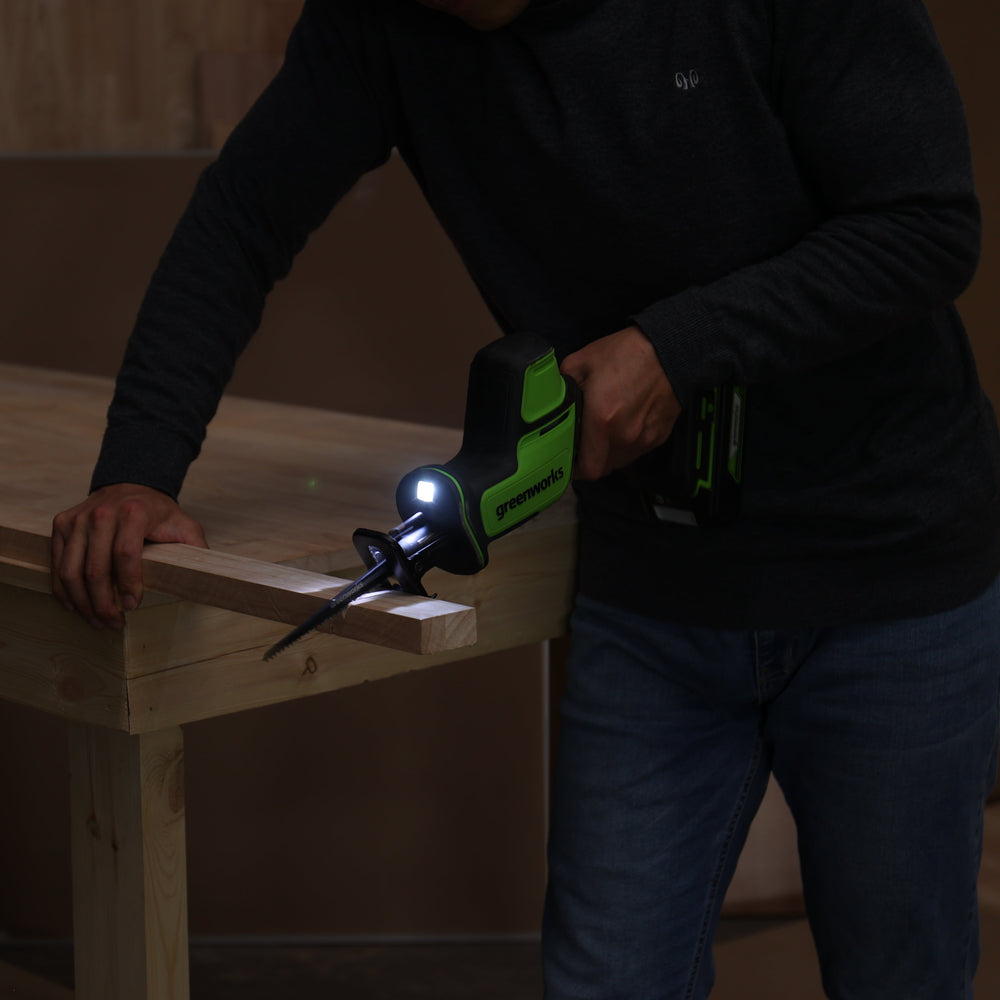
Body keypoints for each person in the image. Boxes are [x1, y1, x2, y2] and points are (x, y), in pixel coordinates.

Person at [51, 1, 1000, 997]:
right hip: (655, 595)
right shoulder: (387, 19)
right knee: (604, 980)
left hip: (890, 582)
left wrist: (678, 346)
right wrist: (140, 470)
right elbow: (241, 220)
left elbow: (924, 226)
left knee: (902, 978)